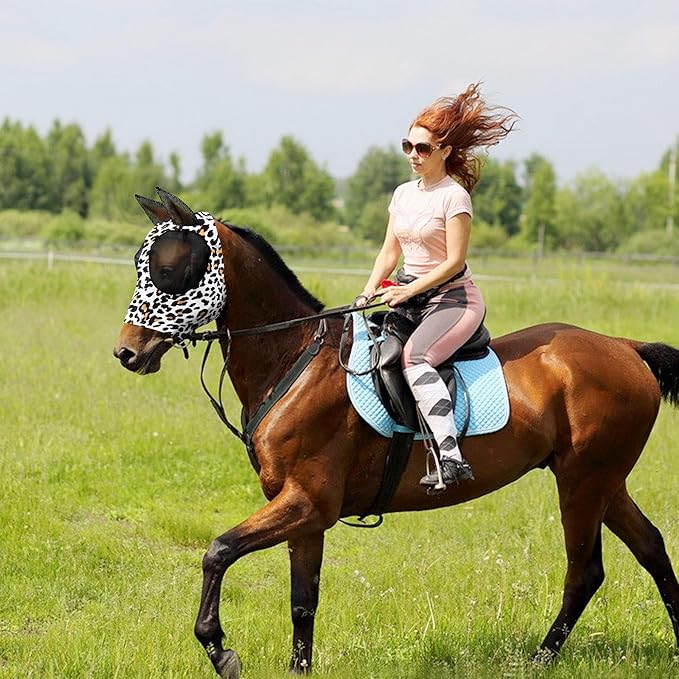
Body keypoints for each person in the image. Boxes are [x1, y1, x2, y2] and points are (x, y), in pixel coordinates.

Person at [355, 83, 517, 490]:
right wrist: (367, 291)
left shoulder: (454, 198)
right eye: (408, 145)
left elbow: (454, 262)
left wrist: (407, 291)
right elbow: (388, 254)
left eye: (423, 148)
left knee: (416, 357)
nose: (413, 154)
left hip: (453, 300)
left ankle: (450, 457)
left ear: (444, 152)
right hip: (409, 297)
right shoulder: (402, 194)